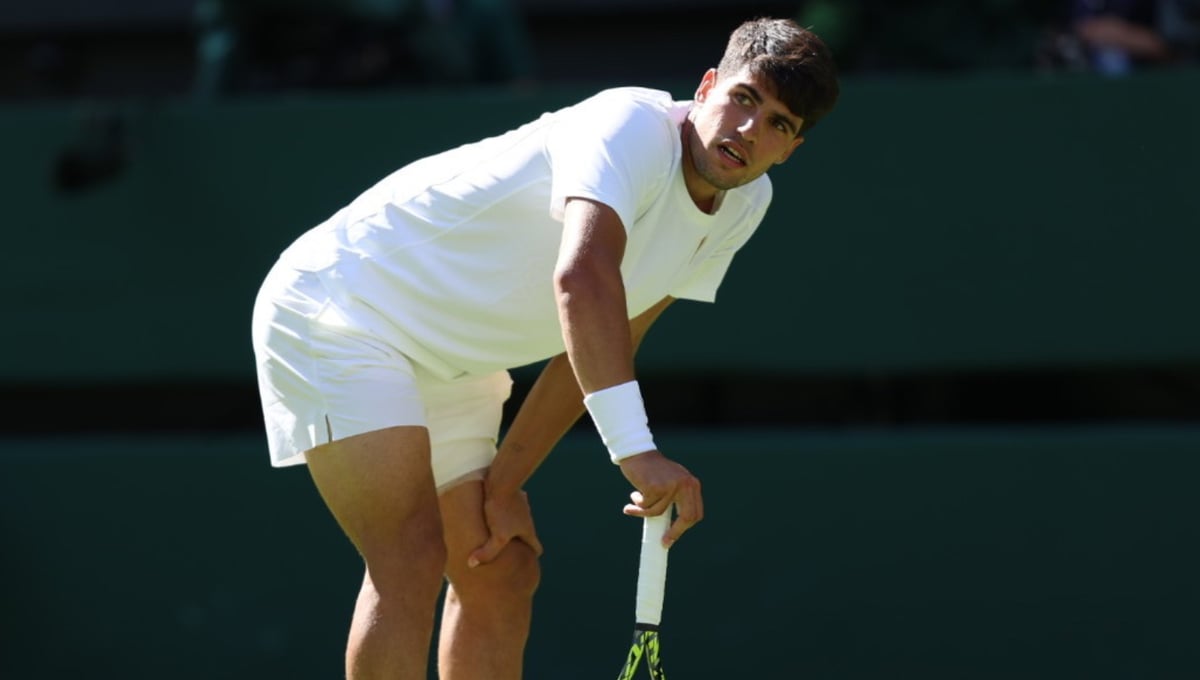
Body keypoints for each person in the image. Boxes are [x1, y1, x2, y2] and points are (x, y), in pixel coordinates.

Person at [250, 16, 838, 679]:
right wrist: (636, 451)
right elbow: (582, 280)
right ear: (706, 88)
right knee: (410, 557)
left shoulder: (745, 203)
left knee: (499, 566)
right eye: (744, 99)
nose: (750, 131)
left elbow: (609, 336)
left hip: (452, 358)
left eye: (780, 125)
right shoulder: (628, 127)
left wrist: (505, 484)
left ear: (790, 149)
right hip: (342, 307)